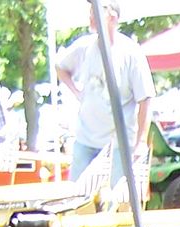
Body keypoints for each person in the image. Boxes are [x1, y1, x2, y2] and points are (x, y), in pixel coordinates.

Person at [56, 0, 154, 185]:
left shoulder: (131, 53)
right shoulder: (84, 47)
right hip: (86, 139)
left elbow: (146, 99)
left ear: (113, 17)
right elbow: (60, 67)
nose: (91, 16)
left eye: (96, 11)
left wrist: (140, 142)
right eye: (90, 11)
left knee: (115, 198)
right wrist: (76, 92)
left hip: (119, 142)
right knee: (76, 196)